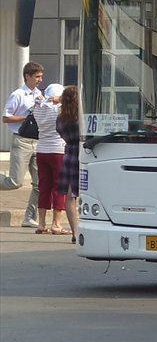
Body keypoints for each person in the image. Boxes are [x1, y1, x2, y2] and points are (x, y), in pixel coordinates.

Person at [1, 62, 44, 228]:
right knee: (15, 182)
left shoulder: (39, 93)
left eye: (41, 76)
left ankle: (29, 217)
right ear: (27, 76)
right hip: (21, 140)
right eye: (37, 76)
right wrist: (26, 116)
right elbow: (6, 118)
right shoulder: (18, 94)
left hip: (37, 141)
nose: (40, 79)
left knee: (40, 184)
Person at [33, 83, 68, 235]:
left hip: (41, 150)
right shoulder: (60, 109)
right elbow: (72, 102)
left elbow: (41, 102)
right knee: (59, 187)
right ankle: (56, 223)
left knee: (44, 187)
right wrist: (61, 99)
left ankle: (41, 223)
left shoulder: (38, 108)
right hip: (58, 150)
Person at [56, 85, 81, 244]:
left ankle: (75, 232)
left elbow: (61, 134)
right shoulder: (83, 116)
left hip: (70, 152)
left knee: (70, 195)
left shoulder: (61, 117)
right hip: (85, 151)